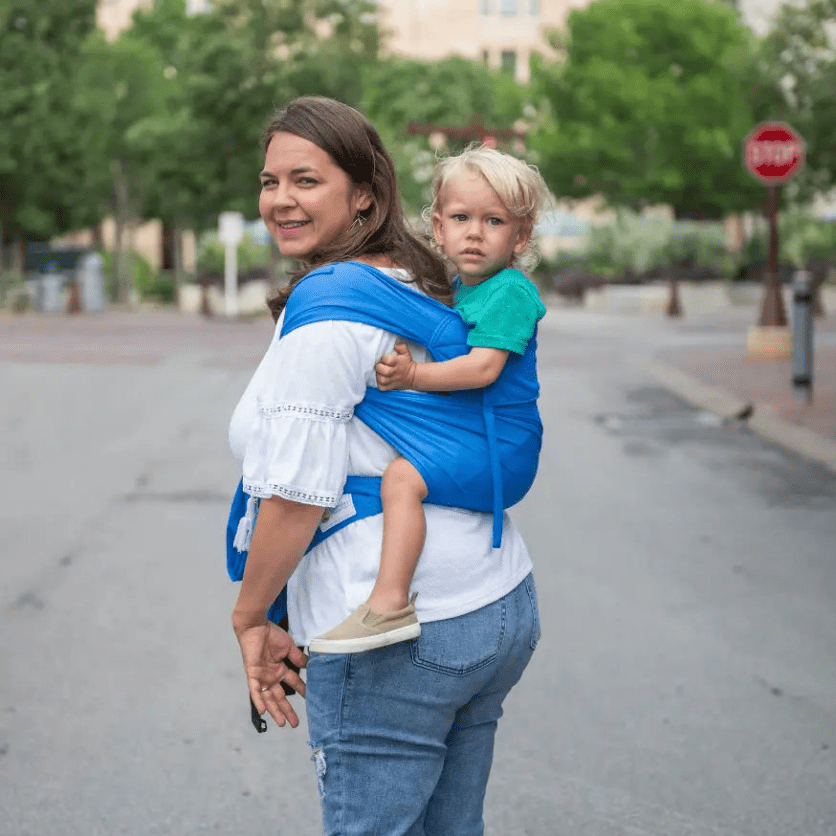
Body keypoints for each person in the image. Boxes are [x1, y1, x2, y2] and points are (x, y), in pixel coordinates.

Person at [229, 96, 540, 836]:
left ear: (364, 193)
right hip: (495, 604)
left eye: (306, 180)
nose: (280, 200)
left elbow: (298, 498)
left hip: (399, 636)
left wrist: (249, 615)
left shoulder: (329, 317)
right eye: (270, 182)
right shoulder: (421, 279)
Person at [309, 145, 548, 654]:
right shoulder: (461, 290)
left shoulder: (510, 291)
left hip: (501, 444)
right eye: (461, 217)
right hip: (479, 433)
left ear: (520, 237)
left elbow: (484, 368)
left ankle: (389, 603)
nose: (475, 232)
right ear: (438, 228)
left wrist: (413, 375)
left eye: (494, 221)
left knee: (401, 478)